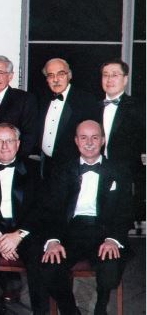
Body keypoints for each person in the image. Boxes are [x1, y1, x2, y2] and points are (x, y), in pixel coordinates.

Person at [39, 120, 133, 315]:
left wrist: (113, 239)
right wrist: (53, 240)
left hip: (104, 231)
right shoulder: (61, 169)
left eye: (94, 137)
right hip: (69, 232)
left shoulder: (119, 170)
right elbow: (51, 209)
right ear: (76, 141)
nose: (89, 142)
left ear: (103, 140)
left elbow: (125, 210)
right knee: (48, 267)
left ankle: (101, 308)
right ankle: (69, 310)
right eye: (83, 138)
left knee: (110, 266)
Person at [0, 123, 47, 315]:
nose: (4, 146)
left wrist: (18, 235)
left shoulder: (35, 169)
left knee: (39, 256)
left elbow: (40, 208)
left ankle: (40, 311)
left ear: (18, 144)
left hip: (24, 230)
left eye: (9, 141)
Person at [91, 59, 145, 223]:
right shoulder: (93, 106)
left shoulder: (139, 107)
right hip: (96, 172)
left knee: (122, 222)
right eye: (105, 75)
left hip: (126, 176)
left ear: (125, 79)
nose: (109, 80)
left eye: (115, 75)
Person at [37, 58, 95, 178]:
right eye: (50, 75)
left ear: (69, 75)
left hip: (73, 170)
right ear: (47, 79)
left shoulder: (85, 100)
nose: (55, 79)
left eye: (60, 74)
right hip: (45, 167)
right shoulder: (41, 99)